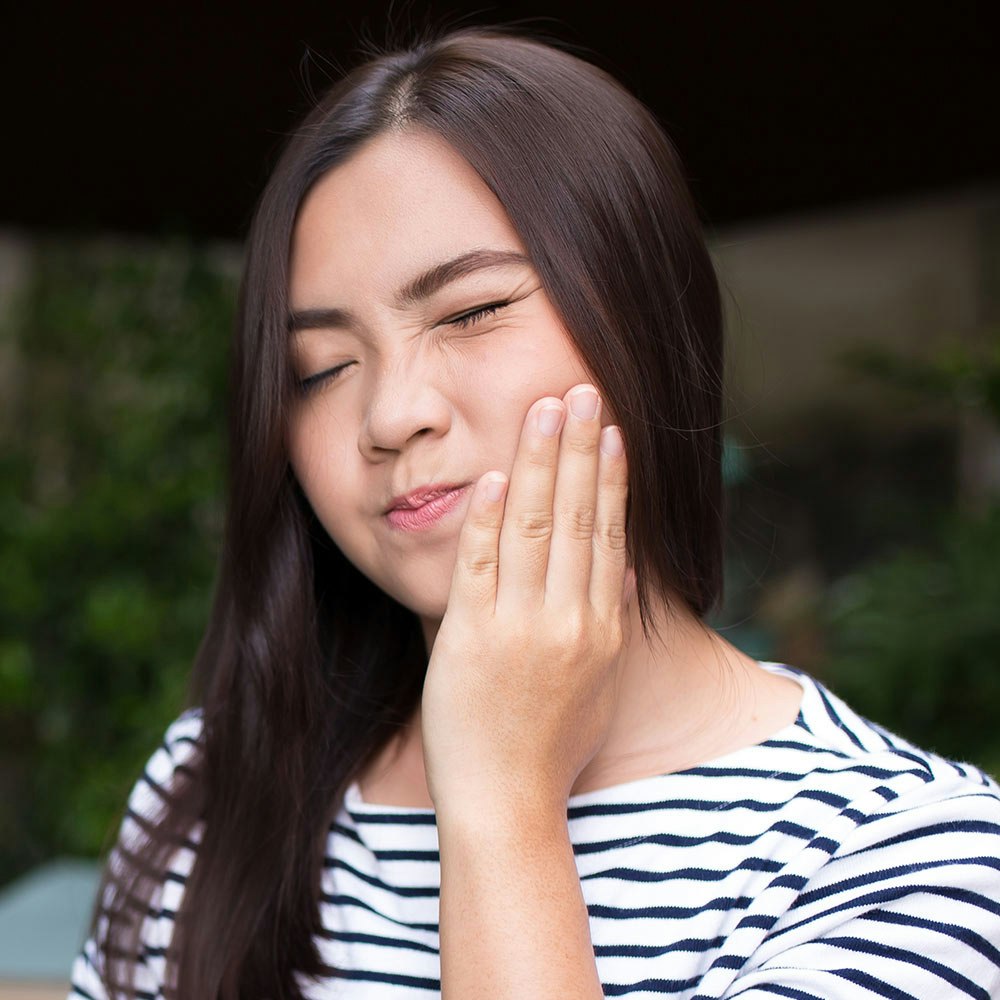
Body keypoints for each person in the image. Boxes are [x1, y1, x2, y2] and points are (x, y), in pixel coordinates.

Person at [68, 24, 1000, 1000]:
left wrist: (503, 805)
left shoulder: (912, 858)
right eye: (322, 368)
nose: (390, 415)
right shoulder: (214, 791)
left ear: (644, 317)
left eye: (469, 313)